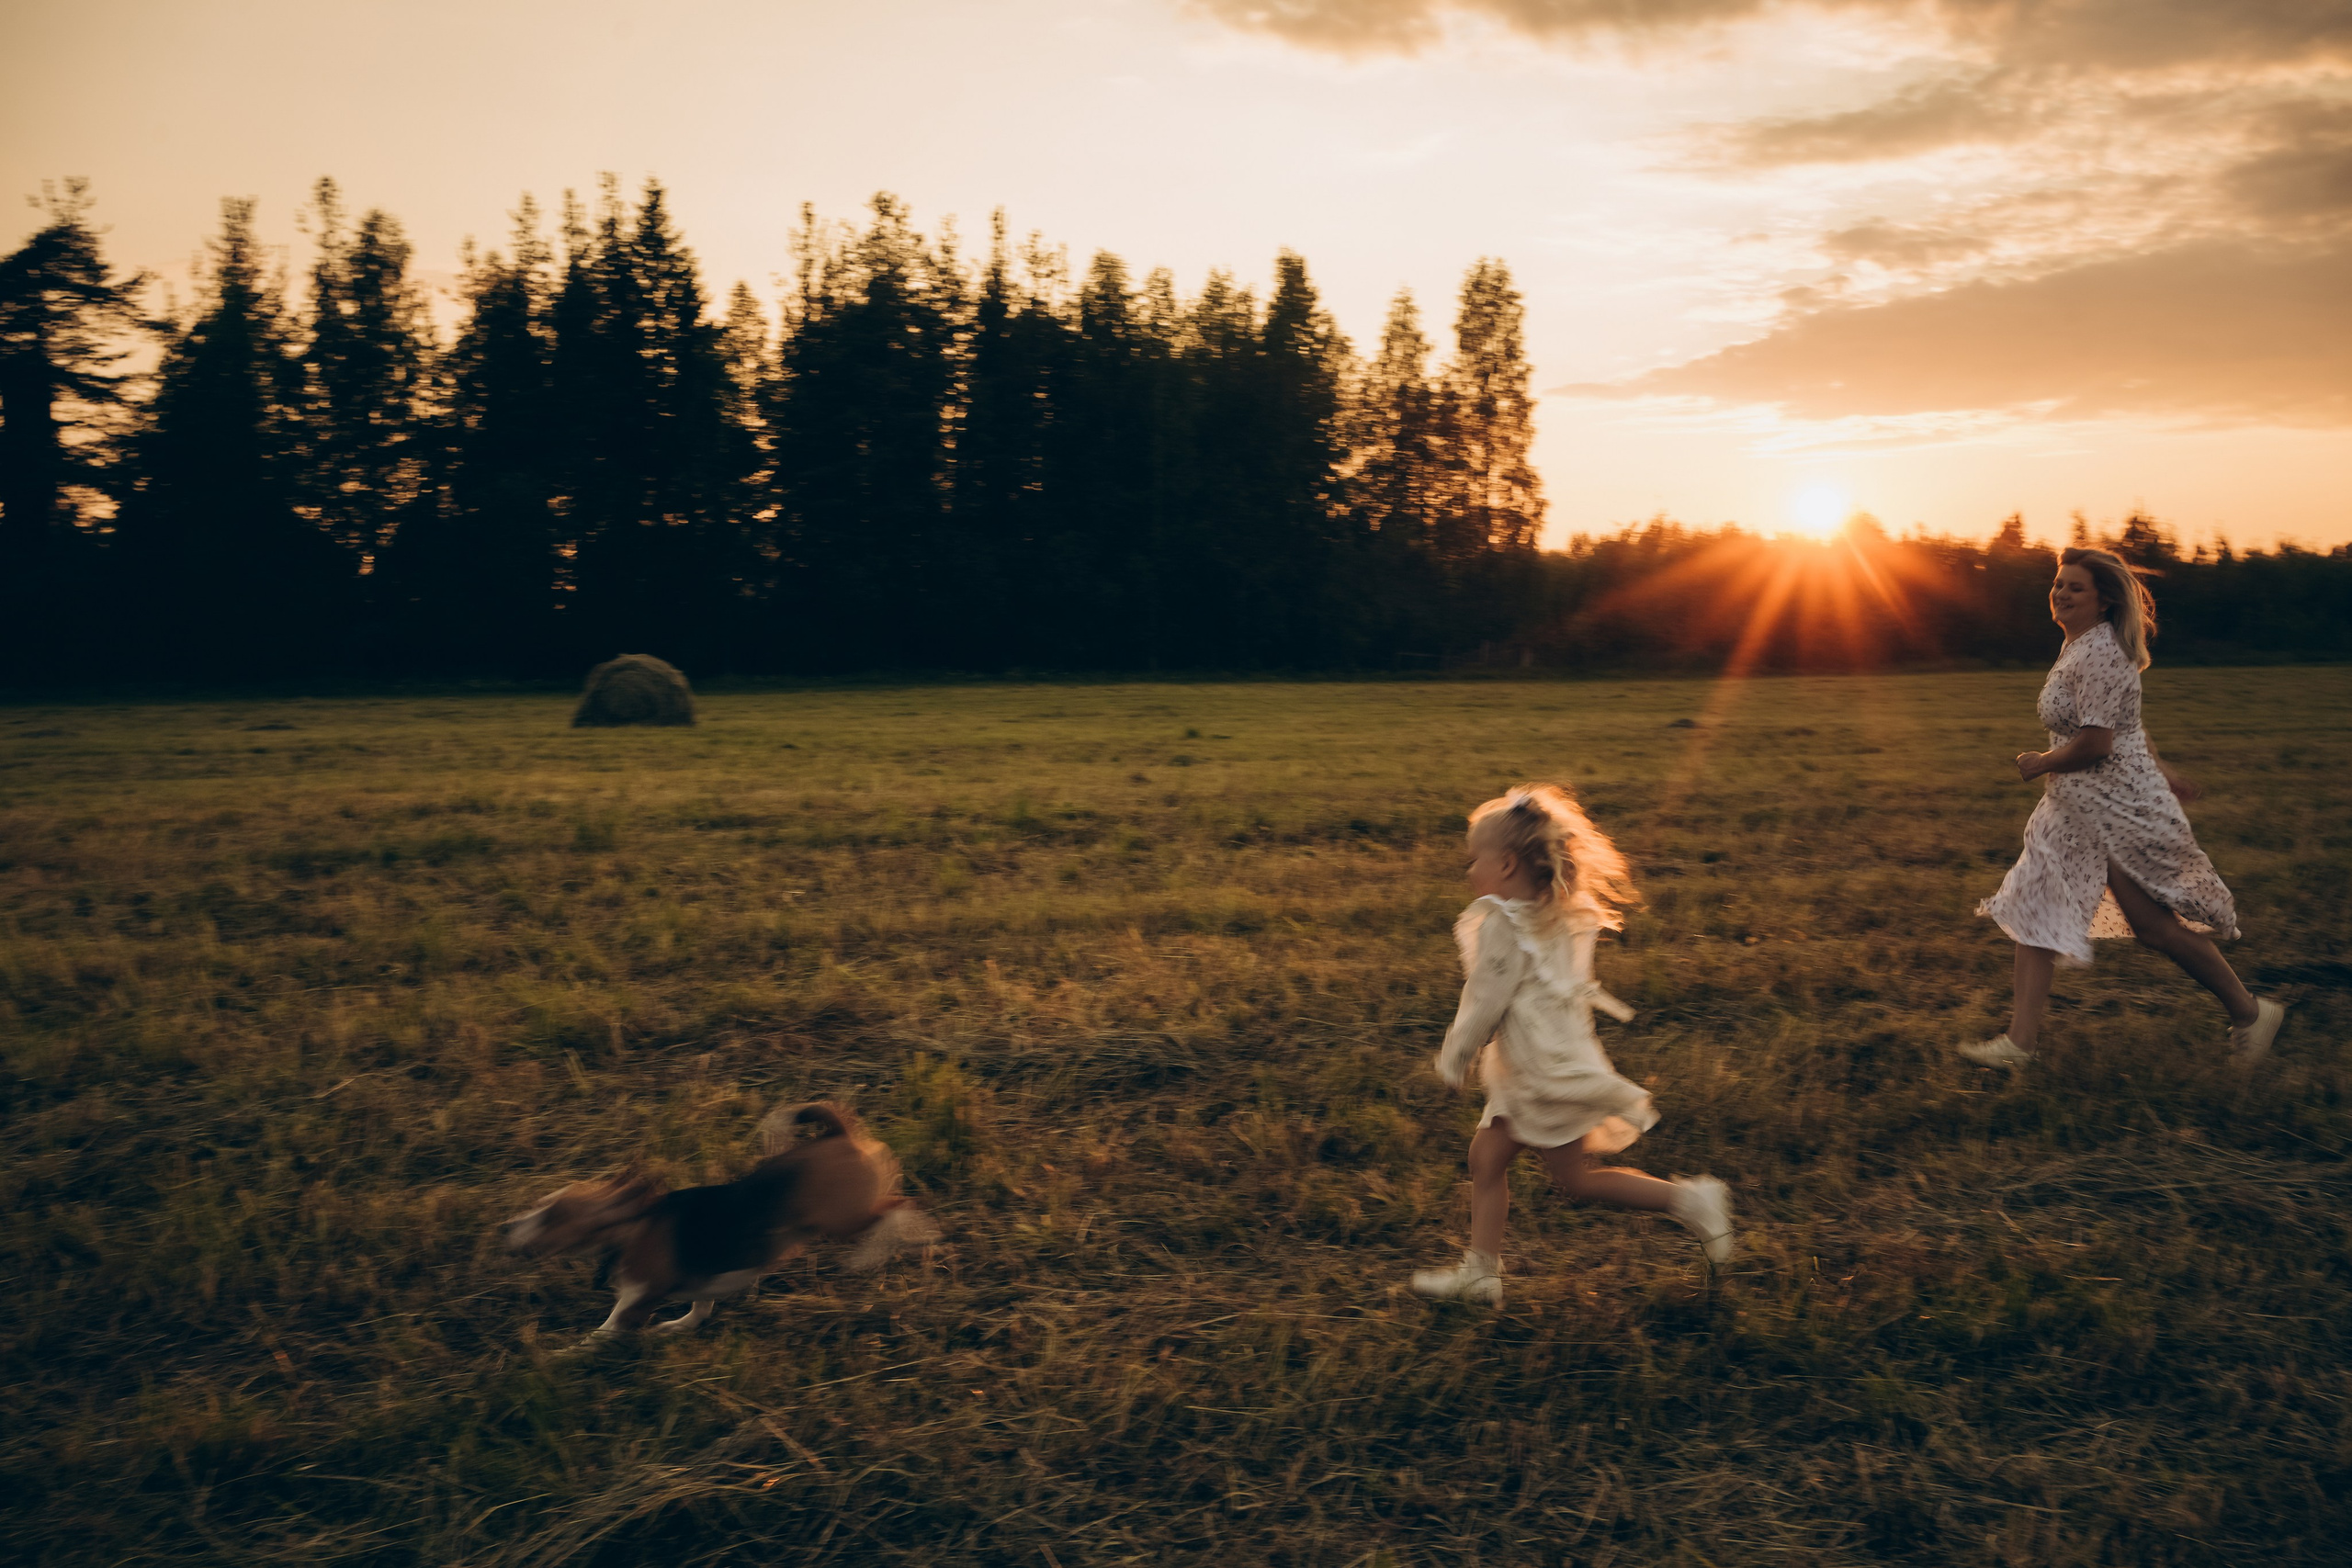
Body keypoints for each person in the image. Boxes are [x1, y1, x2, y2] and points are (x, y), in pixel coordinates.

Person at [1409, 784, 1734, 1305]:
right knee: (1520, 1168)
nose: (1469, 872)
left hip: (1538, 1073)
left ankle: (1690, 1200)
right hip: (1555, 1059)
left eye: (1475, 860)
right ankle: (1483, 1272)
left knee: (1533, 1170)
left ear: (1508, 864)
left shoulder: (1503, 924)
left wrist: (1454, 1058)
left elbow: (1484, 1002)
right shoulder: (1554, 911)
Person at [1964, 547, 2286, 1067]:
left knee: (2154, 927)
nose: (2061, 592)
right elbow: (2127, 725)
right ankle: (2019, 1044)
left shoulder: (2099, 652)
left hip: (2113, 807)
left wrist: (2042, 761)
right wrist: (2165, 771)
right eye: (2059, 583)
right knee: (2036, 907)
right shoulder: (2079, 646)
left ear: (2105, 600)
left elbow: (2097, 742)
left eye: (2076, 587)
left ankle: (2250, 1012)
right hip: (2076, 806)